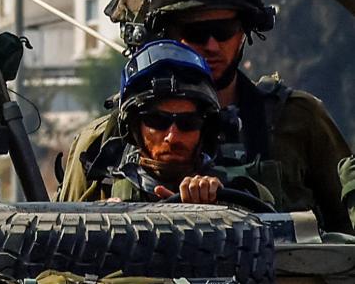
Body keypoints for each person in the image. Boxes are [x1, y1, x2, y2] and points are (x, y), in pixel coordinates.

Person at [58, 0, 350, 229]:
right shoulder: (103, 144)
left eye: (224, 31)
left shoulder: (297, 119)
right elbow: (58, 247)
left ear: (243, 33)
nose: (212, 45)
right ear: (164, 36)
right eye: (195, 33)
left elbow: (347, 234)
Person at [69, 41, 271, 206]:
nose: (172, 136)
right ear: (134, 127)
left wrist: (222, 208)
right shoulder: (99, 184)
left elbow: (273, 218)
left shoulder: (234, 187)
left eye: (188, 122)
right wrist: (99, 222)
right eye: (157, 121)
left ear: (205, 129)